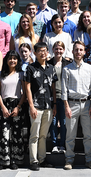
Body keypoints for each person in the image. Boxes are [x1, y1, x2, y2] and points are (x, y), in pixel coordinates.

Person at [62, 41, 91, 170]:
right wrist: (66, 106)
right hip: (72, 104)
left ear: (84, 52)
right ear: (72, 51)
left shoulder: (90, 68)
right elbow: (64, 90)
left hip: (87, 104)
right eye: (76, 50)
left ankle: (89, 159)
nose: (78, 52)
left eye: (81, 50)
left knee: (88, 135)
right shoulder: (66, 69)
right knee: (70, 135)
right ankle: (69, 160)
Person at [24, 42, 58, 171]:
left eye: (45, 50)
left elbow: (53, 88)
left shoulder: (51, 68)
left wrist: (54, 104)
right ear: (35, 53)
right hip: (36, 106)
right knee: (34, 135)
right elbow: (27, 88)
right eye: (40, 51)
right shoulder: (31, 68)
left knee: (44, 135)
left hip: (48, 106)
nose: (43, 53)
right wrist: (31, 106)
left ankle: (42, 159)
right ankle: (33, 160)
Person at [0, 50, 25, 170]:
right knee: (5, 134)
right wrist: (3, 107)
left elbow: (25, 93)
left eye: (14, 58)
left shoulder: (21, 74)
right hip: (4, 105)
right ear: (6, 60)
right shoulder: (1, 74)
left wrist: (18, 107)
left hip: (17, 105)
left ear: (17, 60)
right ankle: (5, 160)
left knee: (16, 133)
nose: (12, 61)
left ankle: (15, 160)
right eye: (10, 58)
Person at [48, 41, 71, 154]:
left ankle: (62, 144)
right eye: (56, 49)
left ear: (64, 50)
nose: (58, 51)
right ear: (53, 49)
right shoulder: (48, 63)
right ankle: (54, 144)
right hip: (51, 96)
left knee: (63, 121)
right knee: (52, 122)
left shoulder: (67, 63)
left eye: (61, 49)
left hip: (63, 96)